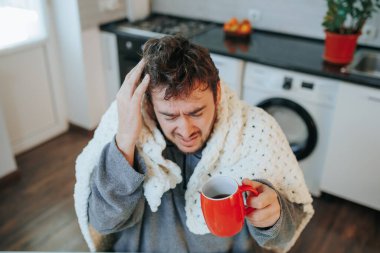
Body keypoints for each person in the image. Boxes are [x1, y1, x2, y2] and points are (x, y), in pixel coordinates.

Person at [74, 35, 314, 253]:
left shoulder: (254, 132)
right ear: (149, 107)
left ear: (217, 93)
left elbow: (283, 236)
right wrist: (124, 141)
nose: (186, 130)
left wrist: (274, 217)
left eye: (196, 112)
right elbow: (103, 222)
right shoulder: (128, 132)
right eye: (170, 116)